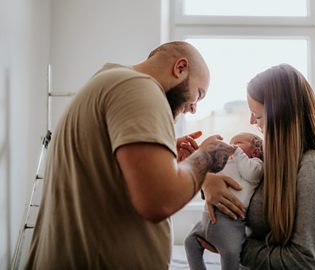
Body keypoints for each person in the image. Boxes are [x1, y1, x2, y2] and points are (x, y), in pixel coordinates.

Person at [25, 41, 235, 269]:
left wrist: (165, 156)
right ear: (180, 68)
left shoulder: (110, 81)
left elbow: (104, 169)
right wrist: (205, 158)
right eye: (199, 94)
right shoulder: (139, 88)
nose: (194, 108)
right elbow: (159, 199)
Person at [199, 64, 315, 269]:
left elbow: (304, 261)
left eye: (257, 115)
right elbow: (238, 185)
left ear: (280, 116)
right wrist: (207, 182)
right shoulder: (271, 159)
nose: (251, 121)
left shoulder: (311, 169)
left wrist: (232, 246)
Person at [184, 132, 264, 270]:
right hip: (207, 218)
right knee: (190, 242)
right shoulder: (228, 162)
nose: (232, 145)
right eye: (232, 142)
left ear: (255, 151)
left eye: (238, 143)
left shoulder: (255, 164)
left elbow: (252, 174)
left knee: (230, 253)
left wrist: (237, 152)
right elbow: (208, 176)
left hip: (230, 222)